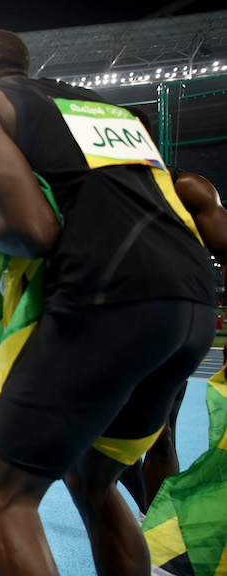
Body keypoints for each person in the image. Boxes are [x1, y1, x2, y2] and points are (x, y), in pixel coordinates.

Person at [0, 30, 215, 576]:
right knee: (93, 477)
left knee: (1, 496)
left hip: (108, 300)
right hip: (192, 302)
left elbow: (32, 230)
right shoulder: (105, 109)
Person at [117, 108, 227, 519]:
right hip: (102, 330)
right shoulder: (92, 191)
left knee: (159, 438)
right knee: (94, 445)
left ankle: (159, 535)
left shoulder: (187, 190)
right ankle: (152, 520)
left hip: (163, 330)